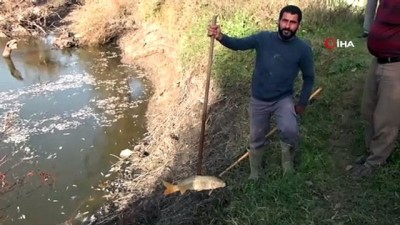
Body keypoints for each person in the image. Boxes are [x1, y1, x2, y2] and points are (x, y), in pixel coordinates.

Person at [208, 5, 315, 180]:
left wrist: (303, 102)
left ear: (298, 25)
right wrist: (220, 37)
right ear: (279, 21)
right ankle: (255, 173)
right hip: (259, 99)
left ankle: (287, 167)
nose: (288, 26)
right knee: (256, 136)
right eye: (285, 21)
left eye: (293, 23)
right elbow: (238, 44)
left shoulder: (303, 49)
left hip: (284, 99)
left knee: (290, 130)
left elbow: (309, 77)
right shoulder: (263, 38)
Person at [352, 0, 400, 179]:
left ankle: (376, 163)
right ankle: (372, 152)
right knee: (368, 110)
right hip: (378, 60)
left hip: (396, 64)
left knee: (386, 119)